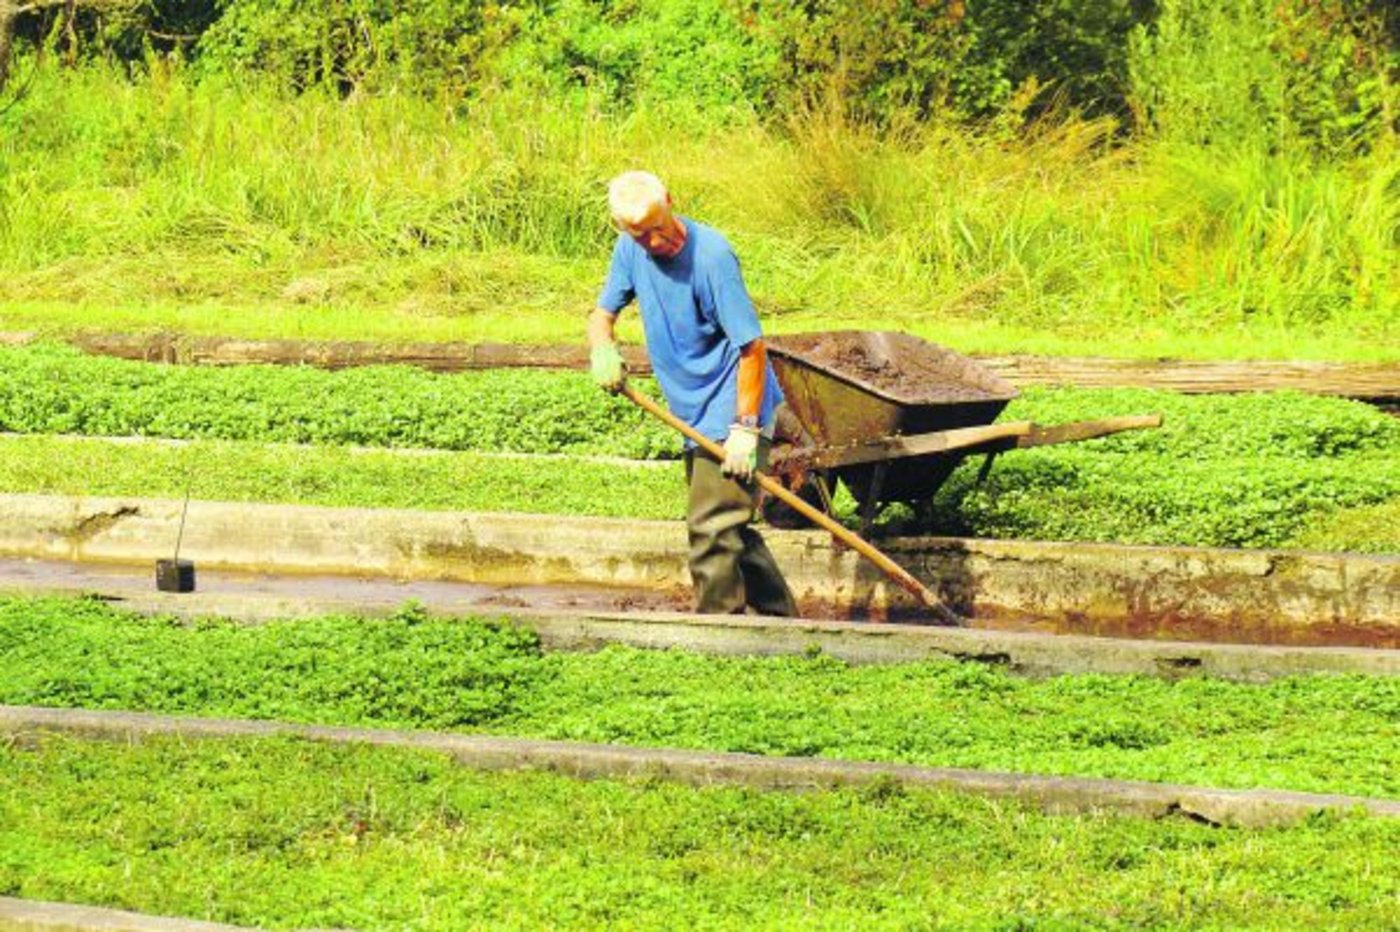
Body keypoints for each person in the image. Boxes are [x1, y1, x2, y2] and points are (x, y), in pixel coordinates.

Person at [587, 170, 797, 617]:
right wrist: (602, 347)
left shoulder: (713, 257)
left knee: (710, 528)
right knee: (727, 523)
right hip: (692, 409)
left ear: (670, 201)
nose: (654, 243)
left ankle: (716, 635)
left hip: (735, 404)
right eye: (641, 236)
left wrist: (744, 427)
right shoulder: (630, 249)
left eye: (658, 229)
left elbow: (751, 348)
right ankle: (783, 623)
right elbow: (602, 314)